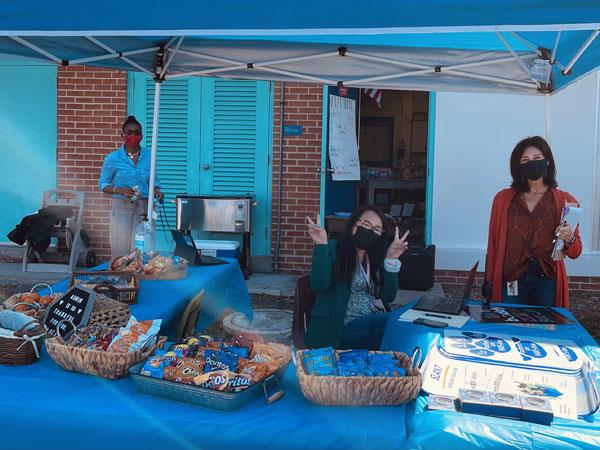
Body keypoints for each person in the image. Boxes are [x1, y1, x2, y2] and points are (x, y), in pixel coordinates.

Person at [485, 136, 582, 308]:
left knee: (545, 330)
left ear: (547, 162)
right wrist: (489, 280)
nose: (532, 163)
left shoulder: (565, 201)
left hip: (546, 281)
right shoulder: (502, 200)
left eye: (537, 158)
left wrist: (569, 238)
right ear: (519, 166)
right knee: (511, 329)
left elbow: (575, 252)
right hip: (511, 278)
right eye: (525, 160)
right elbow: (493, 244)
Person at [303, 206, 409, 350]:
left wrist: (390, 259)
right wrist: (321, 245)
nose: (371, 231)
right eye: (366, 225)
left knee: (405, 320)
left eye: (377, 229)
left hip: (370, 323)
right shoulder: (333, 248)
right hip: (341, 328)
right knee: (396, 324)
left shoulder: (373, 257)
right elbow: (319, 285)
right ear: (353, 225)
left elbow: (388, 297)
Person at [99, 115, 164, 258]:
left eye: (137, 132)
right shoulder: (112, 159)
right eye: (129, 132)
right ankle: (121, 276)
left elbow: (154, 180)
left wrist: (157, 191)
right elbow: (103, 184)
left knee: (146, 244)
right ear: (122, 135)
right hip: (122, 205)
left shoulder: (149, 155)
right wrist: (119, 190)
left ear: (141, 136)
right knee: (120, 245)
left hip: (145, 207)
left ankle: (143, 275)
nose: (133, 135)